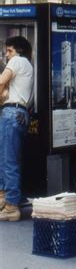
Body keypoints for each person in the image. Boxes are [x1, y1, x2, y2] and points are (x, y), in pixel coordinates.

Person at [0, 36, 34, 222]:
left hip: (11, 113)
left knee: (7, 160)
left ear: (18, 51)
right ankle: (5, 199)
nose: (7, 55)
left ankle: (11, 205)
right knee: (8, 158)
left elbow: (1, 82)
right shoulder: (27, 64)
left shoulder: (18, 61)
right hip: (18, 113)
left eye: (9, 51)